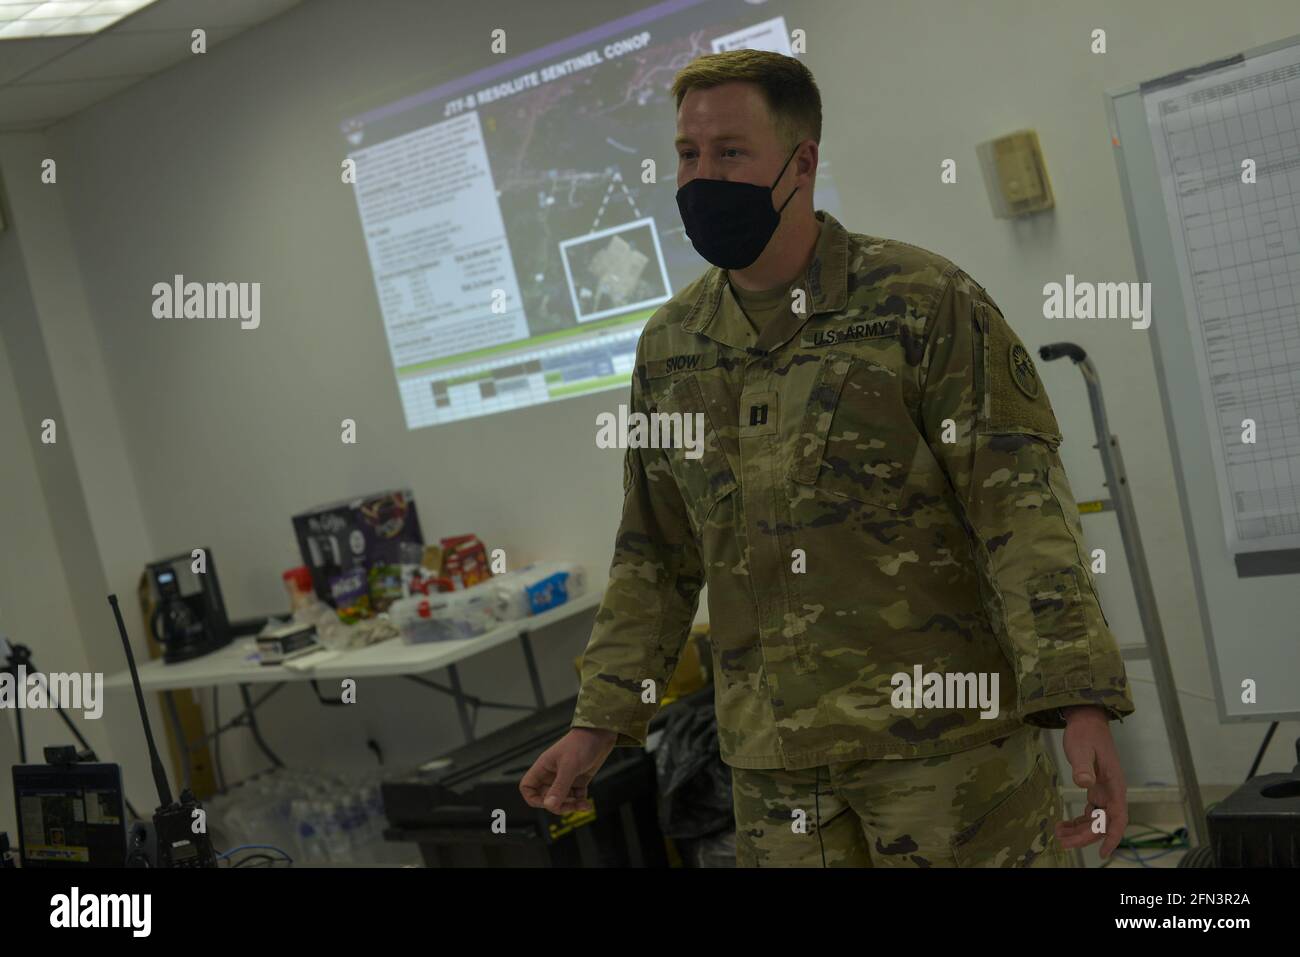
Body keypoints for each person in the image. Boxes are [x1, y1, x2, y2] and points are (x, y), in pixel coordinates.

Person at [520, 49, 1134, 867]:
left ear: (801, 162)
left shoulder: (922, 302)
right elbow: (656, 556)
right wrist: (598, 721)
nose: (702, 177)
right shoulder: (671, 347)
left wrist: (1080, 699)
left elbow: (1020, 516)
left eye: (730, 152)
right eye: (687, 155)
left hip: (944, 749)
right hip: (777, 770)